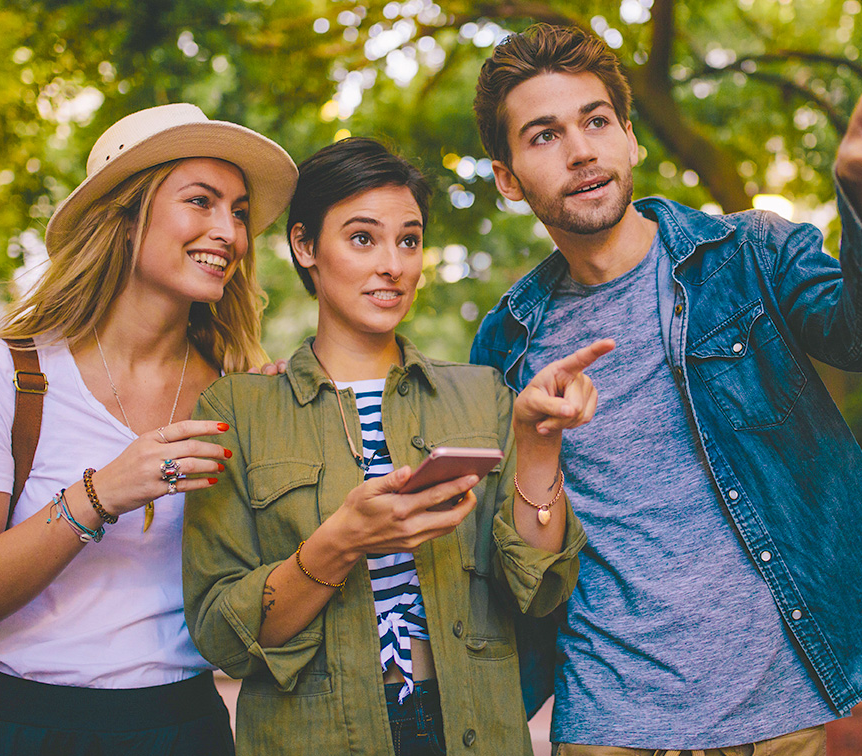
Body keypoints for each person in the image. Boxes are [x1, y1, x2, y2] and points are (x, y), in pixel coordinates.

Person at [468, 25, 862, 755]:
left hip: (778, 723)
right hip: (610, 728)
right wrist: (533, 440)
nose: (580, 151)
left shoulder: (749, 256)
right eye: (543, 136)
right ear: (508, 178)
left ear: (631, 139)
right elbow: (525, 575)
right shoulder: (507, 345)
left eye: (596, 121)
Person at [182, 137, 609, 756]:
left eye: (409, 240)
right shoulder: (239, 411)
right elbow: (222, 632)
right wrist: (340, 541)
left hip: (475, 728)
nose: (393, 264)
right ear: (305, 246)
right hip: (316, 736)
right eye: (362, 238)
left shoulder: (482, 395)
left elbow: (539, 590)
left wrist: (537, 444)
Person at [0, 103, 298, 755]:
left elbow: (258, 607)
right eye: (201, 201)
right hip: (14, 725)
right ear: (124, 219)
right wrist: (100, 495)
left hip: (181, 727)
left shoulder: (241, 392)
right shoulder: (7, 374)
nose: (229, 233)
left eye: (237, 212)